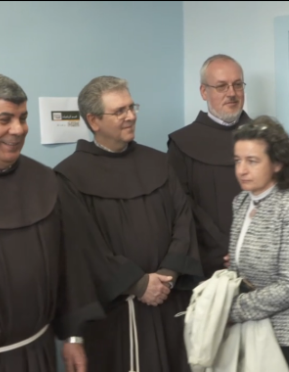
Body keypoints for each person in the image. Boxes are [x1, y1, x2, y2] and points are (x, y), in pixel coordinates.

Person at [0, 73, 104, 372]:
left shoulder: (45, 180)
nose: (18, 130)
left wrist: (73, 336)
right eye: (5, 119)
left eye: (23, 118)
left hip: (36, 352)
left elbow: (71, 265)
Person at [54, 76, 203, 372]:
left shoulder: (158, 162)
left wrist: (168, 275)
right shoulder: (69, 177)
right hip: (116, 313)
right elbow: (84, 249)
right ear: (94, 120)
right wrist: (138, 284)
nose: (131, 116)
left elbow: (183, 219)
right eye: (120, 111)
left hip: (168, 302)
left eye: (131, 106)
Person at [227, 116, 289, 372]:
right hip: (250, 332)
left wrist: (231, 310)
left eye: (252, 161)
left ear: (278, 162)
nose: (241, 170)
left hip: (288, 339)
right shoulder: (241, 202)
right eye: (238, 160)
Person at [168, 54, 252, 279]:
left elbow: (276, 199)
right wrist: (226, 247)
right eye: (221, 86)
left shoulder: (265, 136)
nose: (232, 93)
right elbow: (183, 206)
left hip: (259, 257)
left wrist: (249, 248)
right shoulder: (182, 143)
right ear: (204, 92)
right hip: (208, 259)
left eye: (237, 85)